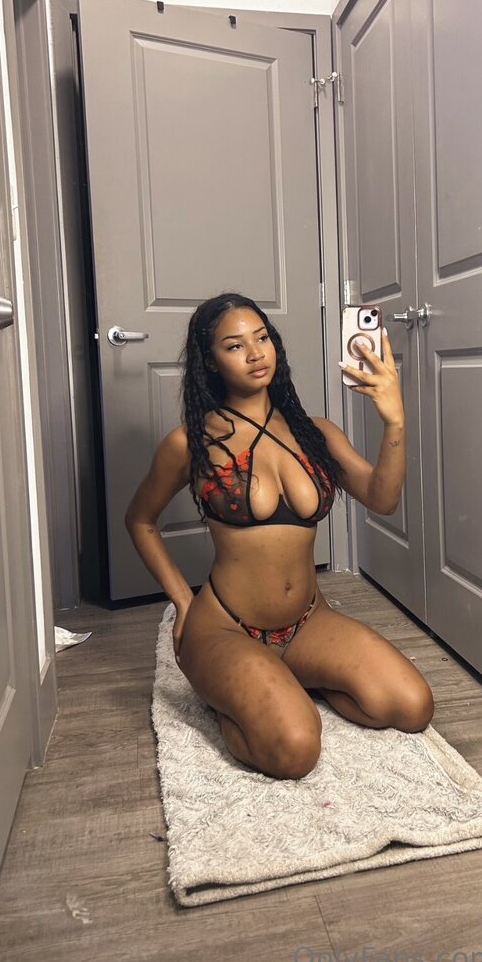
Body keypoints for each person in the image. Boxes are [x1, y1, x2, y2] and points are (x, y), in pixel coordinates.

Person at [125, 293, 434, 780]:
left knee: (412, 706)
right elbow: (140, 520)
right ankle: (234, 695)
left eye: (262, 338)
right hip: (225, 627)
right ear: (211, 361)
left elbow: (383, 498)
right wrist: (184, 602)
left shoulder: (316, 433)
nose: (255, 353)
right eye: (235, 345)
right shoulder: (191, 442)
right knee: (295, 750)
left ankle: (283, 680)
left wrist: (393, 419)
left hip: (307, 621)